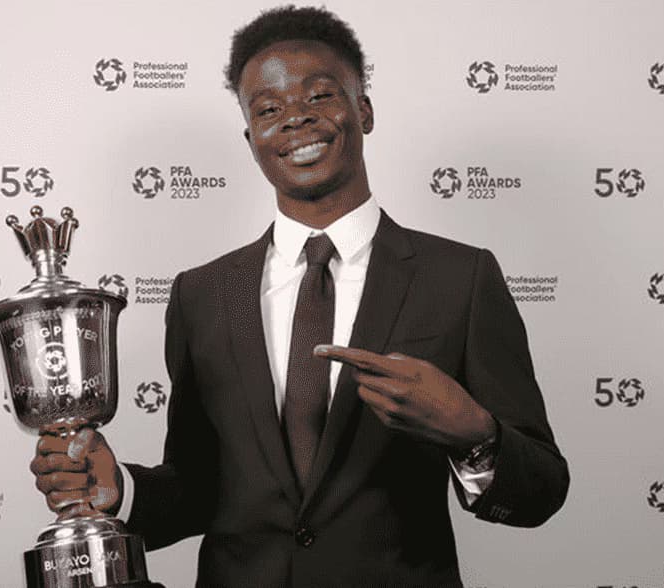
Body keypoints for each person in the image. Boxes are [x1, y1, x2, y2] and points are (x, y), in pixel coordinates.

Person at [32, 6, 569, 587]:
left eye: (319, 96)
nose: (295, 119)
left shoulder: (460, 277)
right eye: (268, 110)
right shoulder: (201, 294)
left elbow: (541, 490)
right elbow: (201, 487)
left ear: (363, 109)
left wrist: (475, 433)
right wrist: (120, 487)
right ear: (251, 139)